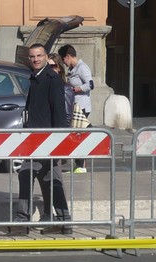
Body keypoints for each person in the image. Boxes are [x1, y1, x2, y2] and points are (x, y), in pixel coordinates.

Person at [9, 43, 71, 236]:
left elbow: (59, 113)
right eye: (32, 56)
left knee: (27, 174)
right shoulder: (36, 78)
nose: (35, 59)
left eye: (39, 56)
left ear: (46, 57)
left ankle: (22, 221)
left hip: (46, 140)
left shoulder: (51, 79)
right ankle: (63, 221)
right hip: (36, 139)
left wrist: (58, 142)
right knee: (49, 179)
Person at [59, 44, 93, 173]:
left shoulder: (82, 68)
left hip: (82, 107)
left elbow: (90, 85)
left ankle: (81, 166)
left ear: (67, 57)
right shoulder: (73, 69)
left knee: (79, 136)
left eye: (63, 60)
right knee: (75, 135)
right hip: (75, 106)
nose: (64, 63)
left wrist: (73, 90)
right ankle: (77, 165)